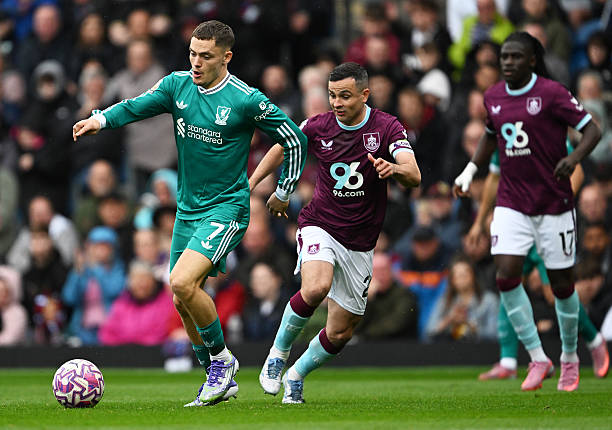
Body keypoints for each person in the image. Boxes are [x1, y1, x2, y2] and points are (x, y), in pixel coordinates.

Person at [72, 20, 307, 406]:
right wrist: (100, 119)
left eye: (206, 56)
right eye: (193, 54)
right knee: (182, 297)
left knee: (181, 282)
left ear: (226, 57)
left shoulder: (245, 99)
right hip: (187, 209)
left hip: (227, 208)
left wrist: (283, 191)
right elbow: (134, 107)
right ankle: (216, 375)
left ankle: (222, 362)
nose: (196, 62)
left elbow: (294, 138)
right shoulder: (176, 85)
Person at [249, 62, 420, 403]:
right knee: (316, 287)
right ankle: (277, 355)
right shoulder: (318, 125)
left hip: (360, 241)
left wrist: (393, 168)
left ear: (364, 94)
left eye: (345, 96)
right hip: (321, 224)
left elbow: (414, 175)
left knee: (340, 332)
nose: (336, 103)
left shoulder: (387, 127)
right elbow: (283, 146)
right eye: (332, 95)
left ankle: (296, 373)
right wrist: (251, 183)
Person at [453, 32, 602, 391]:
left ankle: (570, 356)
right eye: (504, 56)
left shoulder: (552, 93)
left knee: (562, 287)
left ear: (532, 60)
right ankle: (537, 357)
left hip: (553, 205)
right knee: (506, 276)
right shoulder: (493, 96)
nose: (508, 62)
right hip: (512, 203)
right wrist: (470, 170)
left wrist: (573, 158)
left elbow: (592, 131)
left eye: (516, 56)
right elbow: (490, 135)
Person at [467, 147, 609, 380]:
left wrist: (557, 205)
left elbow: (577, 171)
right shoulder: (504, 131)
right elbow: (494, 176)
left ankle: (594, 340)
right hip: (518, 224)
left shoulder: (545, 130)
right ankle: (508, 361)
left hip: (546, 224)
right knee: (508, 282)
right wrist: (479, 220)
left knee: (555, 293)